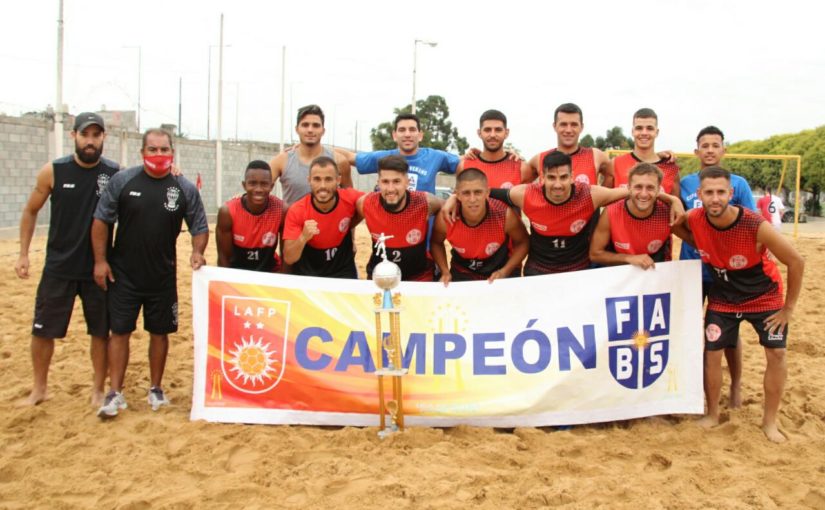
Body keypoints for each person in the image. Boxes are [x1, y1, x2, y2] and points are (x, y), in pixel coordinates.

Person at [672, 166, 804, 443]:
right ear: (700, 195)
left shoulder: (755, 224)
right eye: (709, 193)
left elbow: (796, 261)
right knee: (712, 352)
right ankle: (712, 414)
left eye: (721, 192)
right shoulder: (695, 218)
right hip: (724, 296)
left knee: (777, 354)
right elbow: (676, 226)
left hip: (763, 294)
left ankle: (769, 422)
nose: (715, 198)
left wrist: (788, 309)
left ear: (731, 193)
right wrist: (693, 234)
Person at [92, 128, 208, 419]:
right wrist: (100, 261)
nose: (159, 155)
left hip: (162, 276)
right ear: (142, 152)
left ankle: (156, 388)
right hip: (123, 275)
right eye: (153, 150)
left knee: (160, 333)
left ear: (172, 152)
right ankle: (115, 392)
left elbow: (200, 227)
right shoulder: (123, 181)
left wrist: (197, 251)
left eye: (164, 150)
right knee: (119, 332)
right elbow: (101, 221)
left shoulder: (183, 188)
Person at [14, 112, 119, 407]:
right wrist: (23, 254)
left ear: (103, 139)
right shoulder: (54, 171)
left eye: (96, 135)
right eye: (85, 135)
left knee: (100, 332)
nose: (90, 141)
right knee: (43, 329)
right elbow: (30, 210)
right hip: (58, 266)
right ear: (73, 136)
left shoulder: (114, 173)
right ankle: (39, 388)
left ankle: (98, 389)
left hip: (98, 267)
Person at [468, 151, 682, 275]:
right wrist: (453, 198)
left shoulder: (590, 194)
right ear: (541, 178)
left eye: (563, 177)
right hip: (539, 268)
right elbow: (486, 192)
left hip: (578, 270)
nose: (558, 184)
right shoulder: (525, 194)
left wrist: (671, 198)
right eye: (551, 178)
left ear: (572, 176)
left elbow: (636, 191)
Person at [681, 125, 757, 408]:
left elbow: (751, 225)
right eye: (705, 145)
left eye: (715, 145)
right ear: (696, 151)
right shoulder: (686, 183)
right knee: (690, 331)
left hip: (727, 271)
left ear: (723, 149)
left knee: (728, 333)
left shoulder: (738, 184)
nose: (710, 150)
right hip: (692, 268)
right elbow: (678, 220)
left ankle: (735, 387)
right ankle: (695, 390)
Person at [431, 168, 528, 284]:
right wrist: (445, 271)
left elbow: (523, 242)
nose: (472, 199)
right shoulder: (446, 217)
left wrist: (505, 271)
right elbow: (436, 242)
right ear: (457, 195)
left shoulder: (504, 214)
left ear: (487, 193)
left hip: (498, 271)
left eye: (478, 192)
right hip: (462, 271)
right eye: (466, 193)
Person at [355, 155, 443, 281]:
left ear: (407, 182)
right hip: (380, 276)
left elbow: (447, 210)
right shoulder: (365, 203)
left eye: (396, 181)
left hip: (419, 277)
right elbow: (349, 222)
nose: (391, 189)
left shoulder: (425, 202)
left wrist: (437, 238)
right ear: (378, 182)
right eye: (385, 182)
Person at [282, 156, 364, 278]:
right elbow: (289, 258)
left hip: (342, 272)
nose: (323, 186)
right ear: (309, 180)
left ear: (338, 180)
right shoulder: (297, 210)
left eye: (328, 179)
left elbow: (372, 204)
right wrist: (303, 237)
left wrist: (354, 221)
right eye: (317, 179)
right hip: (308, 274)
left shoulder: (350, 198)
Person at [342, 113, 460, 194]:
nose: (407, 134)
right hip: (390, 227)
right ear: (394, 135)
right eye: (402, 130)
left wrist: (457, 193)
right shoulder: (383, 158)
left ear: (420, 135)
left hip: (425, 228)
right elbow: (348, 157)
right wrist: (323, 149)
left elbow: (465, 163)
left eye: (412, 130)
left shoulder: (435, 157)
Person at [589, 163, 672, 268]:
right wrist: (629, 258)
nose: (643, 194)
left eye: (650, 187)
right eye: (638, 187)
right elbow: (595, 254)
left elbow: (691, 238)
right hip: (619, 274)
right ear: (629, 188)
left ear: (659, 190)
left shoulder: (668, 213)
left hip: (652, 275)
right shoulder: (612, 212)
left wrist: (676, 202)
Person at [269, 104, 352, 206]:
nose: (310, 130)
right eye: (305, 125)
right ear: (297, 129)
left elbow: (350, 202)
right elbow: (260, 192)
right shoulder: (281, 161)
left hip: (327, 222)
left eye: (316, 125)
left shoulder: (339, 161)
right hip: (291, 221)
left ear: (323, 130)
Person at [216, 160, 286, 272]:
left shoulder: (281, 210)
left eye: (264, 184)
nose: (258, 189)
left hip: (269, 273)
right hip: (238, 273)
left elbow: (286, 259)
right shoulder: (228, 212)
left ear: (271, 186)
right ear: (244, 185)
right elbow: (223, 258)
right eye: (252, 183)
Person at [525, 103, 613, 186]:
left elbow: (616, 177)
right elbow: (517, 184)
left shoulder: (596, 156)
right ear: (554, 126)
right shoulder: (540, 159)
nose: (568, 130)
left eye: (574, 125)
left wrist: (602, 200)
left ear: (581, 127)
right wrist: (511, 154)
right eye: (563, 124)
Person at [611, 108, 680, 196]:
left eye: (649, 128)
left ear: (657, 132)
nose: (644, 132)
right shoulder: (616, 163)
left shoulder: (671, 168)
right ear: (632, 131)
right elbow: (604, 201)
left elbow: (675, 206)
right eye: (639, 128)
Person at [457, 109, 532, 188]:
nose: (492, 135)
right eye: (487, 130)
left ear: (506, 133)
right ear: (479, 133)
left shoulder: (521, 168)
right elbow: (458, 198)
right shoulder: (464, 166)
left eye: (498, 130)